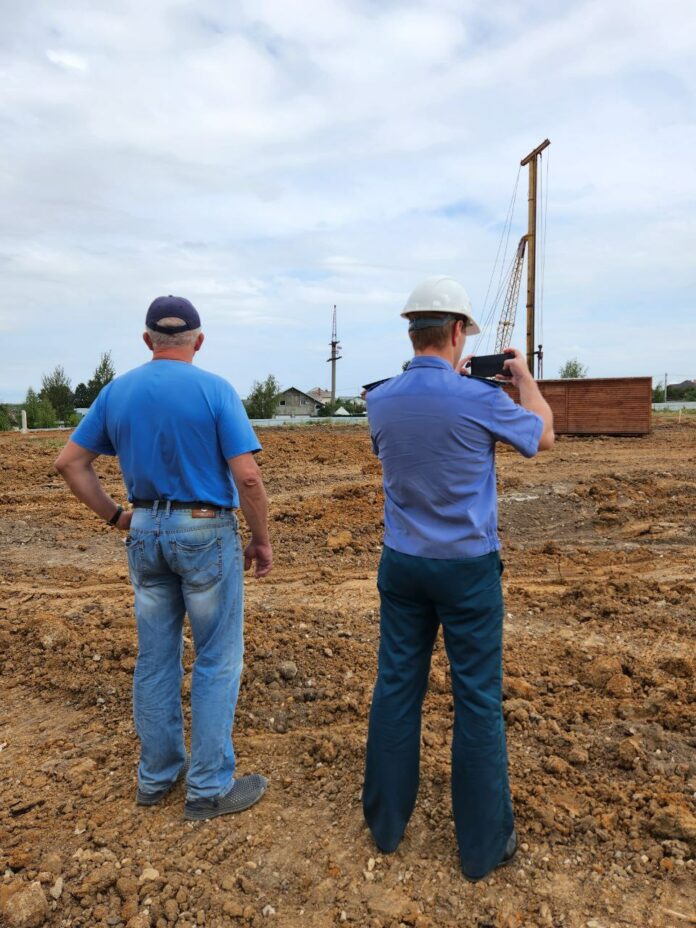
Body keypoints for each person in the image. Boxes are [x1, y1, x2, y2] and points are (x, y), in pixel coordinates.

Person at [362, 276, 554, 881]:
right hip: (467, 568)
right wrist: (522, 378)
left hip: (403, 561)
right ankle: (481, 847)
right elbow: (542, 435)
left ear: (412, 330)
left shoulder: (380, 399)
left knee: (396, 688)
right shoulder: (481, 398)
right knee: (476, 699)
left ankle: (387, 826)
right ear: (455, 332)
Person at [55, 295, 272, 821]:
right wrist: (260, 539)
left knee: (156, 659)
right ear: (198, 341)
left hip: (146, 529)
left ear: (148, 341)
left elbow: (70, 463)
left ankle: (155, 778)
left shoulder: (117, 391)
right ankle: (208, 789)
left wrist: (116, 516)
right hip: (204, 530)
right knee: (217, 659)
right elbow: (246, 476)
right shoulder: (216, 390)